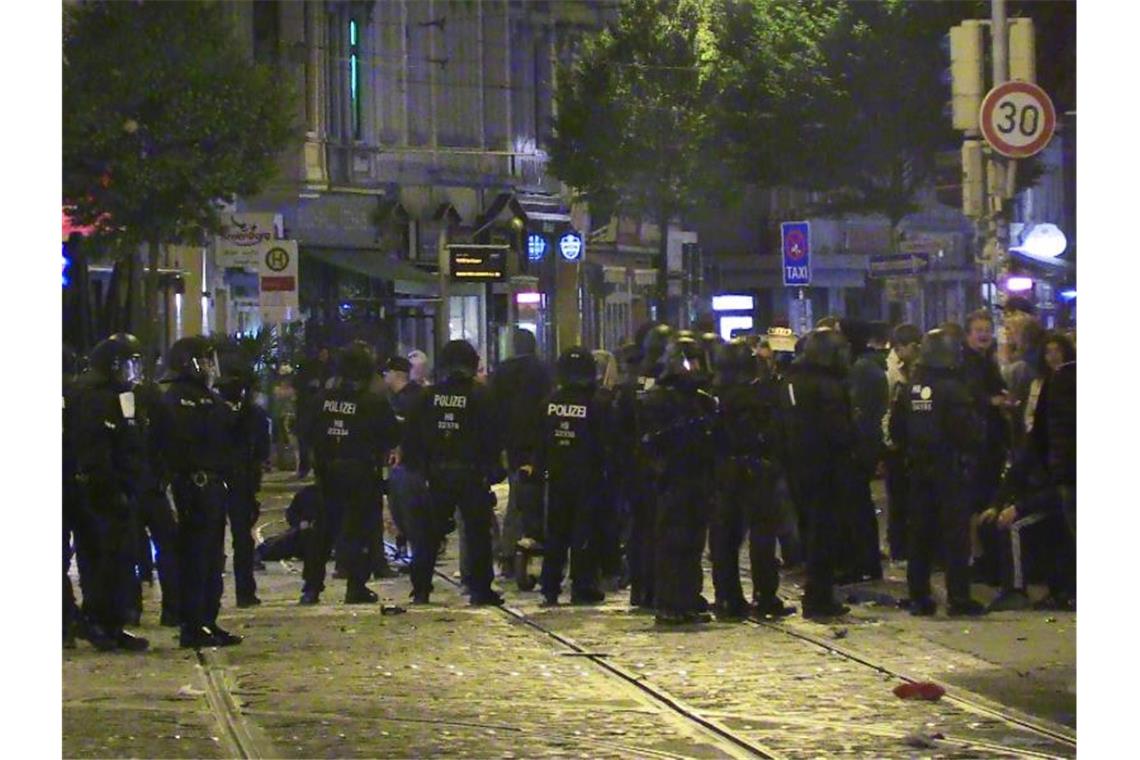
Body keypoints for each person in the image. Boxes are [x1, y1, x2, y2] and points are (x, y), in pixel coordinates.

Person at [152, 336, 242, 648]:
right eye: (203, 361)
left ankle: (207, 618)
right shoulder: (174, 398)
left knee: (213, 556)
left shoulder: (209, 397)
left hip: (213, 485)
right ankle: (192, 622)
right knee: (194, 555)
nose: (209, 367)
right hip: (190, 485)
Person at [891, 329, 986, 617]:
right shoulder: (954, 389)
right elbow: (967, 431)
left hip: (919, 468)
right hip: (950, 468)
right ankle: (958, 597)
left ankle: (919, 595)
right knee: (955, 537)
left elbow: (897, 429)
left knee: (920, 534)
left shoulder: (911, 388)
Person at [402, 340, 505, 605]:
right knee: (477, 533)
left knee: (429, 534)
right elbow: (493, 436)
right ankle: (481, 588)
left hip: (436, 474)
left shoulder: (427, 397)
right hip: (471, 474)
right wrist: (491, 469)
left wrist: (419, 468)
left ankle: (421, 588)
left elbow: (412, 436)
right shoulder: (481, 395)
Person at [68, 334, 150, 651]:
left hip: (121, 487)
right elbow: (94, 448)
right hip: (100, 492)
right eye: (130, 364)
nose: (134, 371)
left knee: (120, 559)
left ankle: (113, 622)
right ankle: (97, 621)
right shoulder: (93, 395)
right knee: (101, 559)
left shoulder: (119, 394)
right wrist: (107, 486)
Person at [300, 342, 400, 605]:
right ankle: (356, 586)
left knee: (323, 531)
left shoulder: (322, 400)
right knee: (361, 530)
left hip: (328, 471)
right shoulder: (372, 402)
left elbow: (306, 431)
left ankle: (311, 587)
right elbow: (391, 434)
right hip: (362, 472)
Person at [710, 338, 795, 621]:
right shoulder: (762, 393)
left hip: (724, 469)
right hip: (758, 468)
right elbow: (778, 430)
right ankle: (765, 594)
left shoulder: (715, 394)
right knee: (761, 535)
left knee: (725, 536)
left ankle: (727, 595)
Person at [638, 332, 719, 625]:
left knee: (694, 542)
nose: (694, 368)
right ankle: (670, 600)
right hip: (671, 478)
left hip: (697, 477)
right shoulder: (658, 399)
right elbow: (649, 442)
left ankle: (688, 595)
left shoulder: (703, 401)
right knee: (672, 541)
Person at [777, 328, 855, 619]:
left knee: (809, 532)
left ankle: (817, 591)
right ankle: (819, 596)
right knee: (825, 535)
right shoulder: (827, 385)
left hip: (797, 467)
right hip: (825, 468)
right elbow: (838, 431)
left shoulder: (790, 380)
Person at [530, 347, 609, 606]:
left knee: (556, 532)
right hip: (588, 477)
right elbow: (606, 443)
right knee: (584, 533)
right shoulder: (597, 404)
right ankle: (583, 585)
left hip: (557, 477)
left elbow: (540, 442)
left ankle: (550, 585)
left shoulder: (549, 403)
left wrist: (538, 470)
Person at [489, 329, 552, 579]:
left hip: (512, 442)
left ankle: (509, 552)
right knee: (540, 494)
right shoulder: (543, 370)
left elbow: (493, 407)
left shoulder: (502, 372)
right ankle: (539, 542)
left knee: (517, 496)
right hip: (540, 439)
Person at [214, 344, 268, 608]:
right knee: (239, 538)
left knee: (220, 538)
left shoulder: (213, 409)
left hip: (225, 478)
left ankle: (228, 591)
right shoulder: (252, 414)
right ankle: (244, 592)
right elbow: (262, 450)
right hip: (238, 479)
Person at [841, 319, 889, 583]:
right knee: (859, 505)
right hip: (865, 446)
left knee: (856, 506)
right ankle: (865, 561)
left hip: (859, 447)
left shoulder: (861, 370)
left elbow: (861, 412)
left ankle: (863, 561)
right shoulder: (866, 367)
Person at [883, 324, 923, 561]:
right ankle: (899, 545)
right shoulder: (891, 372)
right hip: (898, 447)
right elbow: (889, 411)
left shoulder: (911, 370)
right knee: (898, 499)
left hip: (908, 445)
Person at [382, 355, 428, 563]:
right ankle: (409, 552)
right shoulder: (397, 398)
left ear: (395, 374)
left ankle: (417, 557)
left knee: (409, 514)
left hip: (410, 466)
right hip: (402, 465)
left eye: (386, 373)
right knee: (400, 513)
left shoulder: (410, 399)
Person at [293, 345, 332, 479]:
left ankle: (315, 467)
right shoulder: (309, 369)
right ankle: (305, 467)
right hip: (307, 408)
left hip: (319, 409)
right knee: (304, 439)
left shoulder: (328, 369)